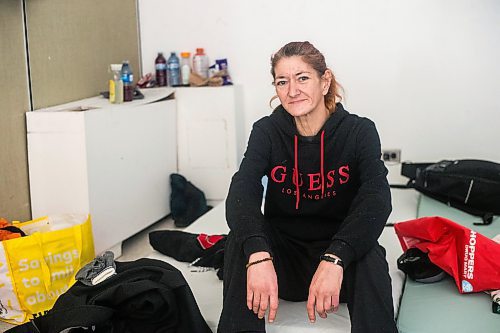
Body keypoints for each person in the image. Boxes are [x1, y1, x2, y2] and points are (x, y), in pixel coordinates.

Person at [218, 41, 398, 333]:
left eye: (302, 78)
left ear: (324, 81)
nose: (292, 91)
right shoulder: (267, 131)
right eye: (282, 81)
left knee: (369, 250)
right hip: (283, 263)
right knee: (241, 241)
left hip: (339, 265)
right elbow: (243, 190)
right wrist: (258, 253)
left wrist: (337, 256)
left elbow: (376, 198)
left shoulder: (359, 131)